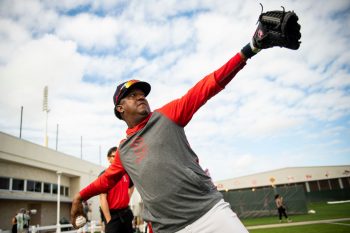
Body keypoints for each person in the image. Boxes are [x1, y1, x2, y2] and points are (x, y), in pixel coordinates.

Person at [71, 17, 300, 233]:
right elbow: (106, 180)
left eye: (143, 94)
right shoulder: (124, 150)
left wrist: (250, 48)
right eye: (132, 95)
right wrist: (79, 197)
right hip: (168, 229)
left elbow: (207, 86)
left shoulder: (166, 115)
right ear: (120, 109)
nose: (141, 97)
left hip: (209, 213)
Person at [99, 146, 135, 233]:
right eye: (114, 156)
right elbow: (102, 198)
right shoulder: (104, 176)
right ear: (109, 158)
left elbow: (132, 186)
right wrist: (108, 219)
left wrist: (126, 198)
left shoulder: (126, 173)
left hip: (126, 213)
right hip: (112, 216)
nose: (117, 158)